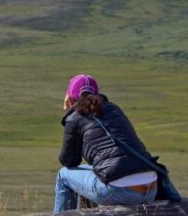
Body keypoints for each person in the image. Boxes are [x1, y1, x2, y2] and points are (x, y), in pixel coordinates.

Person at [53, 74, 158, 213]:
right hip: (151, 187)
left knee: (63, 175)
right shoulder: (114, 109)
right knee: (96, 170)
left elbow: (69, 161)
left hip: (120, 191)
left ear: (70, 97)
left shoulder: (75, 118)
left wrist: (70, 113)